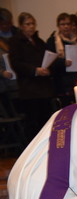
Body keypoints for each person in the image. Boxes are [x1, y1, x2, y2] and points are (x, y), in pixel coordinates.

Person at [9, 12, 54, 143]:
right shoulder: (15, 41)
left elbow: (47, 58)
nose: (31, 27)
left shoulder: (39, 41)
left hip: (44, 87)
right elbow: (16, 63)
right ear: (21, 26)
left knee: (45, 119)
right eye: (28, 24)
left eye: (33, 23)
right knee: (32, 122)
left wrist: (47, 68)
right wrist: (34, 70)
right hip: (29, 88)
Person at [47, 13, 77, 107]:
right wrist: (62, 62)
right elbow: (50, 61)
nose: (66, 27)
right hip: (61, 81)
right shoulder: (53, 41)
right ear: (58, 26)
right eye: (63, 24)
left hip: (76, 77)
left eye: (68, 24)